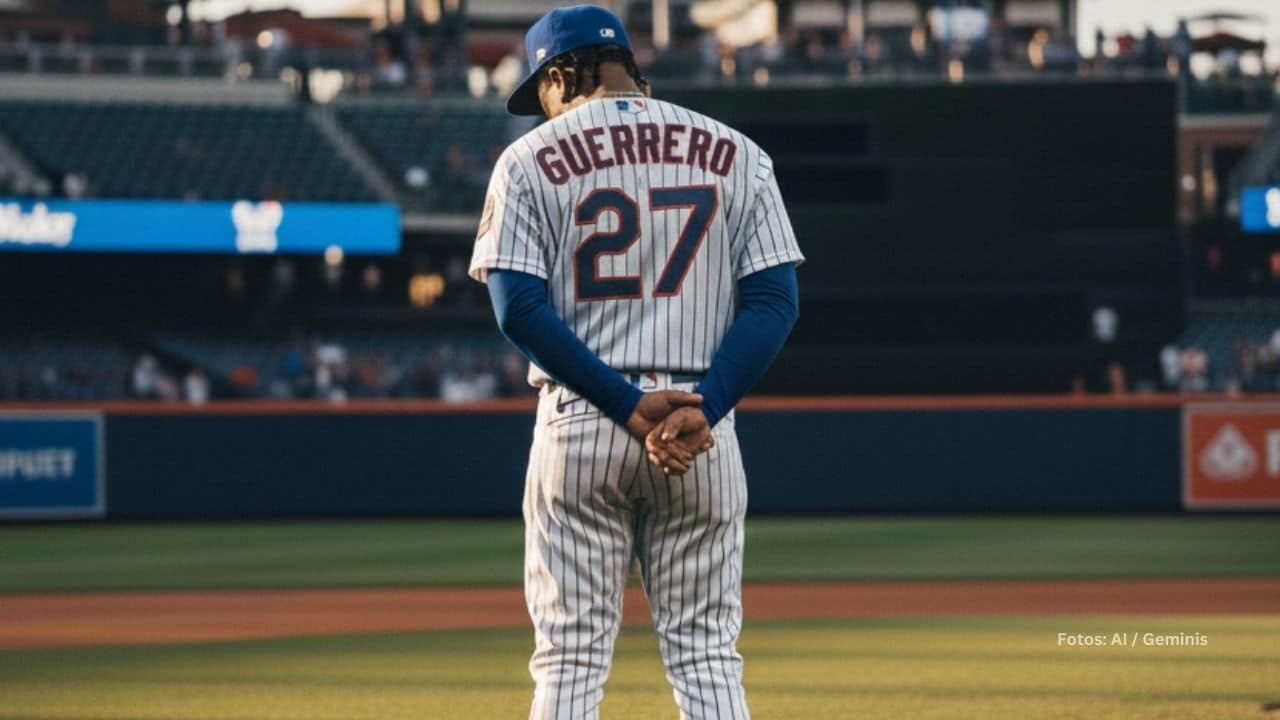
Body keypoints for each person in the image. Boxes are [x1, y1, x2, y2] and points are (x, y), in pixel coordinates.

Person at [468, 6, 803, 718]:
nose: (543, 109)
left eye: (543, 90)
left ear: (563, 73)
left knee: (569, 661)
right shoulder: (737, 151)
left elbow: (517, 308)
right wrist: (703, 406)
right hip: (697, 432)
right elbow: (775, 303)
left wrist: (623, 403)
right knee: (708, 656)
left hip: (581, 423)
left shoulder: (528, 159)